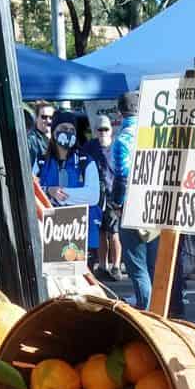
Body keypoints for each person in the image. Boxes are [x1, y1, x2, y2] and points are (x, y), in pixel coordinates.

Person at [110, 91, 159, 309]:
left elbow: (122, 175)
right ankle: (158, 305)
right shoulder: (154, 134)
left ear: (120, 112)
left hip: (132, 206)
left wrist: (116, 203)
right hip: (155, 204)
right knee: (153, 263)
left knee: (137, 266)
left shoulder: (122, 139)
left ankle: (145, 307)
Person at [35, 111, 101, 263]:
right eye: (64, 128)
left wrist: (61, 195)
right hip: (50, 233)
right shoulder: (41, 162)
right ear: (54, 131)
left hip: (81, 233)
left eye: (72, 130)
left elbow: (93, 195)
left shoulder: (86, 161)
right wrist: (49, 191)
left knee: (81, 283)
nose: (68, 133)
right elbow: (31, 191)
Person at [88, 114, 121, 279]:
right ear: (95, 131)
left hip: (113, 195)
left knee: (114, 233)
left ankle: (116, 267)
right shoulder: (89, 147)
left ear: (111, 131)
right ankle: (102, 266)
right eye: (99, 129)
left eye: (105, 129)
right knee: (101, 232)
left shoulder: (116, 147)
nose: (102, 132)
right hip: (96, 196)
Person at [28, 102, 54, 168]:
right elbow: (27, 169)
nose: (48, 121)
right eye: (44, 117)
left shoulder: (58, 139)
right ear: (36, 118)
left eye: (51, 117)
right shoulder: (31, 140)